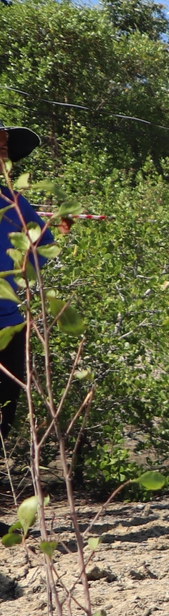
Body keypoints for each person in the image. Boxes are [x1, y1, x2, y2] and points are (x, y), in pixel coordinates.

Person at [0, 125, 48, 442]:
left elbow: (43, 244)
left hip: (10, 323)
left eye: (4, 151)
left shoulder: (15, 201)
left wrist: (18, 276)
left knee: (5, 407)